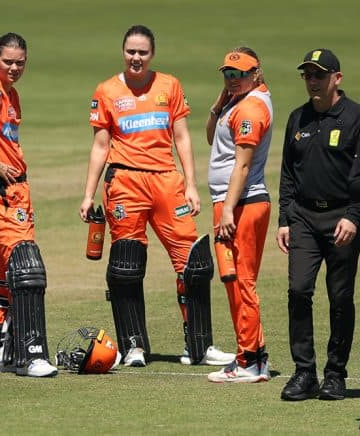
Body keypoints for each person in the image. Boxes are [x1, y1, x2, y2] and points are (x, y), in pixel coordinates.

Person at [79, 24, 234, 368]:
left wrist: (191, 185)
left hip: (167, 181)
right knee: (126, 267)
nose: (136, 58)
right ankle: (133, 346)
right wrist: (89, 195)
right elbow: (101, 145)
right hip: (125, 184)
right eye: (131, 52)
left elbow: (182, 138)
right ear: (123, 52)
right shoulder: (106, 91)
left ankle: (200, 346)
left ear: (152, 55)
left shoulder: (169, 86)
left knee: (194, 263)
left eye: (142, 52)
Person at [277, 49, 360, 401]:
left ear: (336, 78)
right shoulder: (298, 119)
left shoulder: (355, 117)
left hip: (342, 218)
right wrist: (284, 218)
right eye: (308, 75)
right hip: (304, 218)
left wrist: (354, 216)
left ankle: (335, 374)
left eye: (319, 75)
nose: (312, 81)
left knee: (340, 297)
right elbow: (287, 174)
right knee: (299, 291)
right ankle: (304, 373)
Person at [0, 32, 57, 377]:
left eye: (20, 62)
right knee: (27, 269)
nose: (14, 67)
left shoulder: (12, 94)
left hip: (16, 194)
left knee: (7, 274)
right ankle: (29, 355)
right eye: (8, 61)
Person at [204, 48, 273, 383]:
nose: (232, 80)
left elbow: (242, 165)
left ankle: (248, 361)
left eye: (239, 74)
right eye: (228, 74)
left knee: (241, 281)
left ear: (256, 73)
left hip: (241, 204)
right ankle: (254, 354)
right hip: (233, 203)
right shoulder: (236, 102)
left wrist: (228, 207)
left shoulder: (251, 108)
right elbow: (211, 140)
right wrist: (220, 102)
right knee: (235, 281)